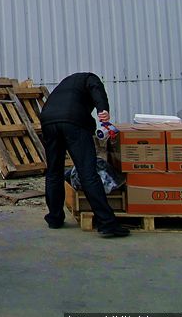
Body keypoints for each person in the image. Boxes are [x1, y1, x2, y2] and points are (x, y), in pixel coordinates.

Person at [40, 72, 130, 237]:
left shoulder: (66, 84)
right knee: (87, 173)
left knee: (54, 171)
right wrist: (103, 109)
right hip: (73, 121)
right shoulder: (91, 78)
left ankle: (54, 218)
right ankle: (107, 223)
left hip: (48, 120)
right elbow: (96, 88)